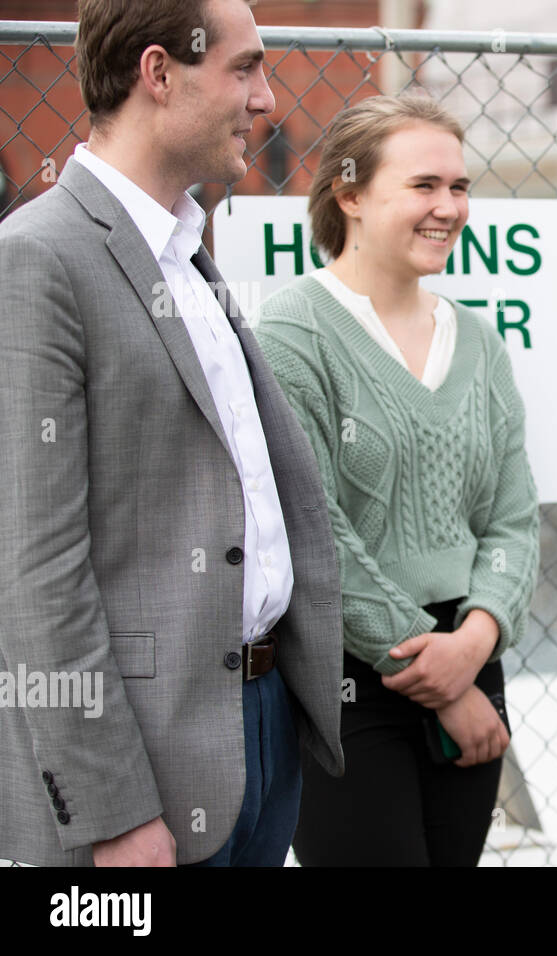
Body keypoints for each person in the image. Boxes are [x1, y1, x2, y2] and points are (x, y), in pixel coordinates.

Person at [0, 0, 345, 867]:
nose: (266, 99)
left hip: (259, 731)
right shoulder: (36, 258)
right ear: (159, 73)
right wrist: (112, 811)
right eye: (244, 69)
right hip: (146, 770)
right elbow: (33, 567)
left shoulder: (186, 254)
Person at [255, 93, 541, 866]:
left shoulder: (479, 344)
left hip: (475, 660)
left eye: (460, 187)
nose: (449, 207)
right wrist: (442, 676)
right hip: (346, 676)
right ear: (348, 193)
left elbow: (514, 520)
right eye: (424, 186)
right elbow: (313, 529)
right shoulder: (292, 333)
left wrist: (475, 642)